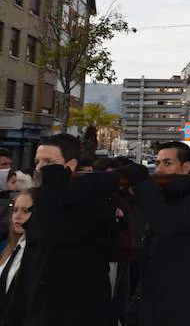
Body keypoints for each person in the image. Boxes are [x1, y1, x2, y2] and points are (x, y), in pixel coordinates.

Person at [4, 133, 118, 326]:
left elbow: (53, 237)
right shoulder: (42, 201)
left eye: (49, 161)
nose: (40, 167)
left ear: (71, 165)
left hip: (75, 314)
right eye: (37, 161)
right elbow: (30, 268)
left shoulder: (92, 205)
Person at [118, 142, 190, 326]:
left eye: (167, 163)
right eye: (157, 164)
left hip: (189, 311)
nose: (160, 169)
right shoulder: (164, 197)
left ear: (187, 167)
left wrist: (143, 183)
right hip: (156, 307)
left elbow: (166, 224)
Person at [0, 190, 33, 318]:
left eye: (25, 211)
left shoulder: (35, 254)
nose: (17, 216)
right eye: (15, 210)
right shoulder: (11, 248)